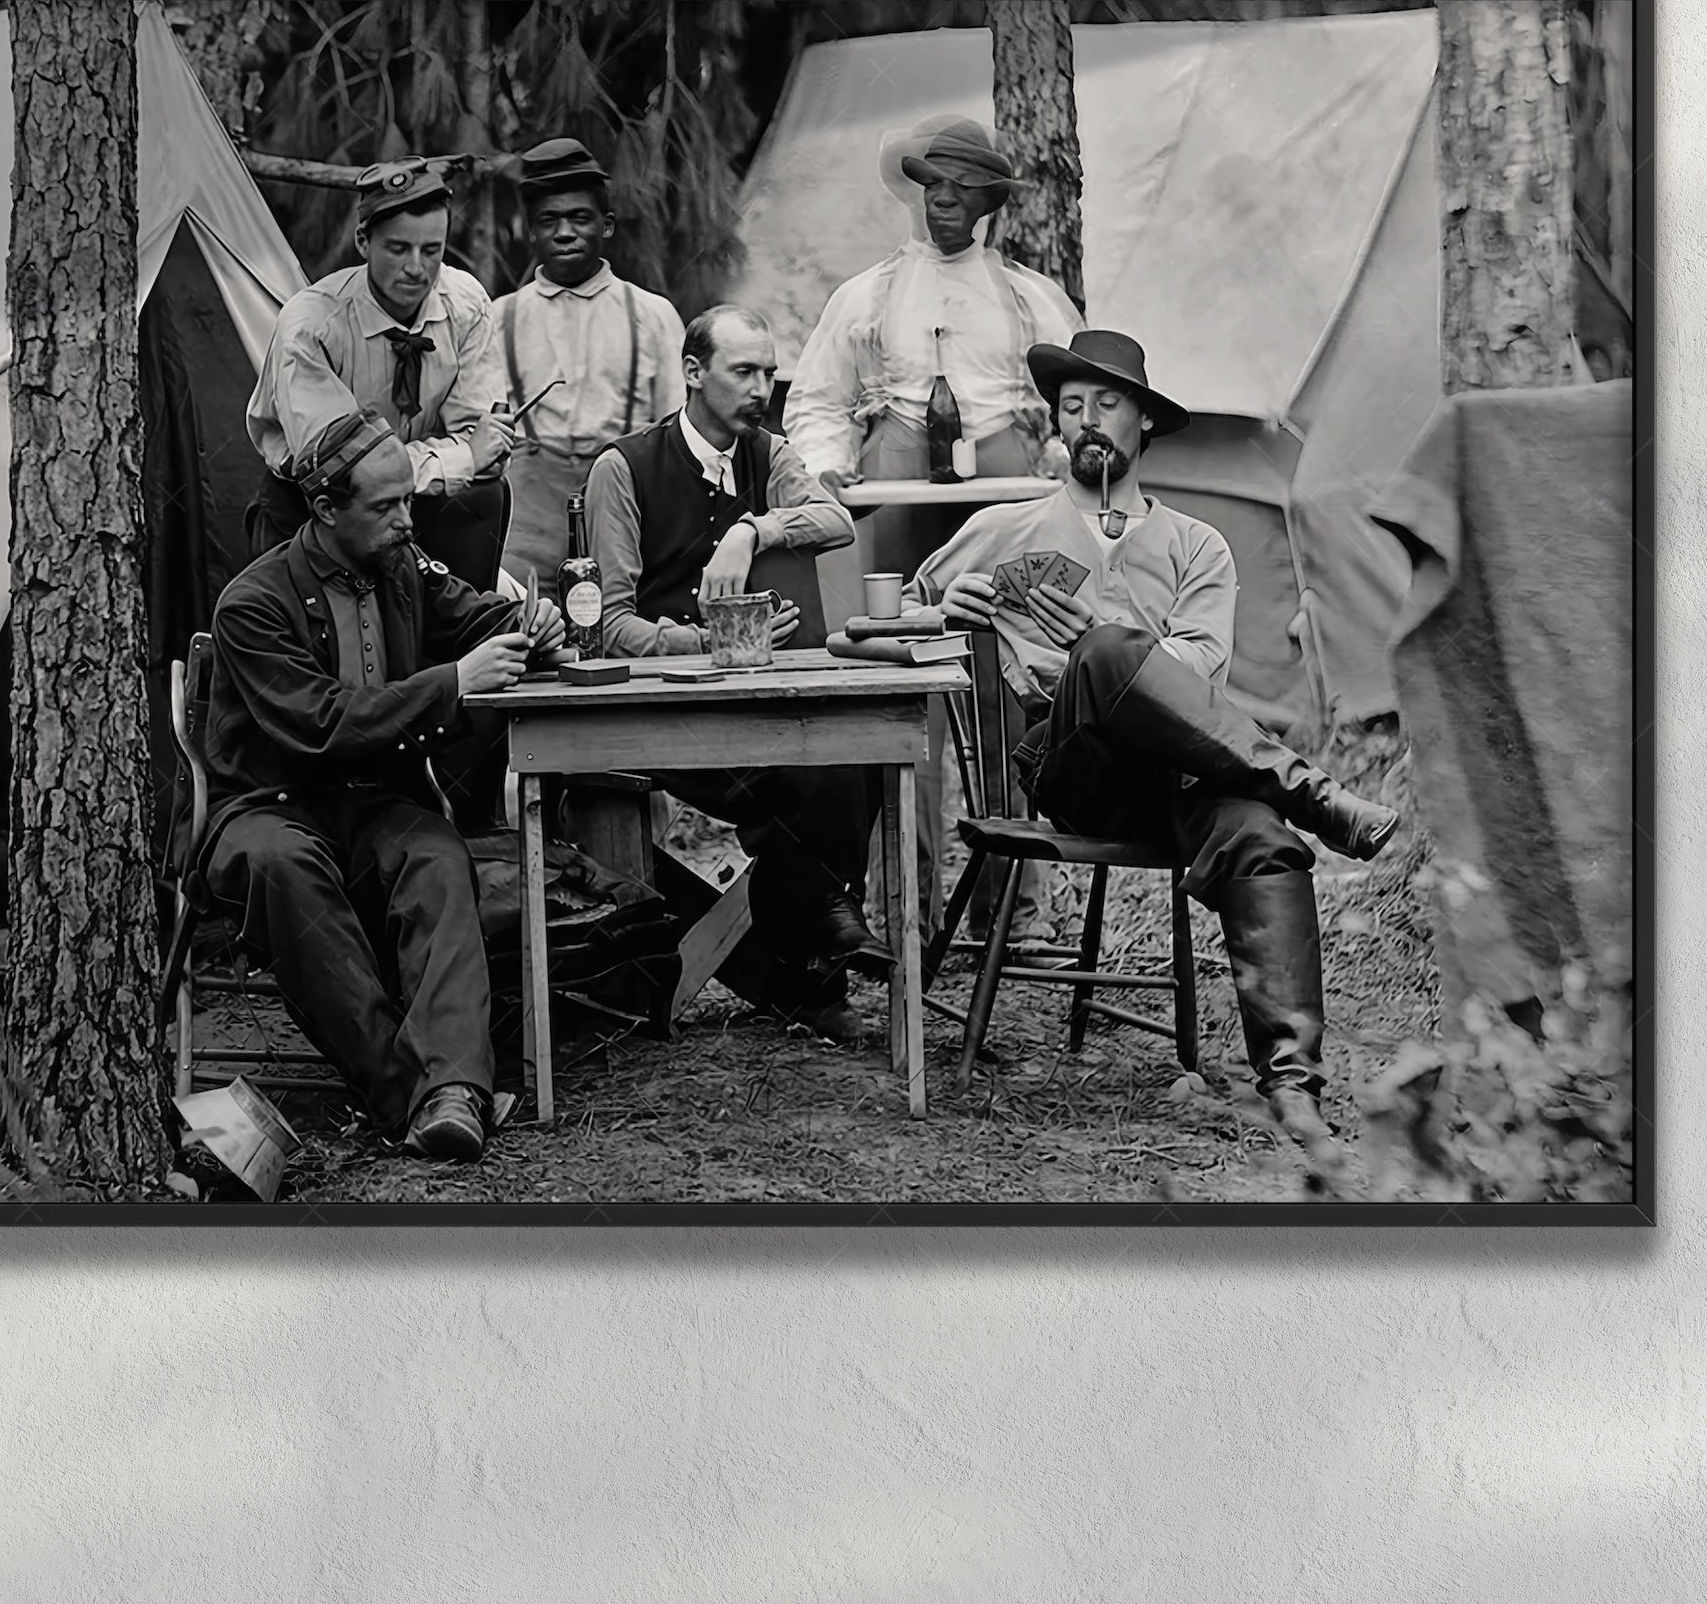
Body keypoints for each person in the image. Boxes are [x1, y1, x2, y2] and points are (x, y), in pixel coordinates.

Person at [908, 330, 1398, 1144]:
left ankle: (1294, 1091)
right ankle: (1312, 792)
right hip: (1076, 769)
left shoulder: (1197, 545)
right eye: (1072, 406)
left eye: (1107, 404)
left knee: (1262, 839)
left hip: (1184, 776)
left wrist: (1107, 633)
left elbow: (1202, 677)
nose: (1087, 420)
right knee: (1102, 653)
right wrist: (938, 610)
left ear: (1143, 423)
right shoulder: (1003, 528)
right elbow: (880, 621)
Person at [202, 409, 564, 1164]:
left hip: (371, 803)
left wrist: (529, 626)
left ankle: (453, 1090)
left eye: (408, 499)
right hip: (271, 808)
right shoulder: (251, 603)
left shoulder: (400, 566)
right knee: (284, 868)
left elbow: (473, 619)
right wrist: (454, 683)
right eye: (388, 505)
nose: (409, 519)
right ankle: (412, 1094)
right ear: (325, 509)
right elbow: (320, 725)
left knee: (435, 854)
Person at [782, 116, 1081, 921]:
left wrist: (1059, 457)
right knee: (900, 689)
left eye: (966, 189)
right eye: (933, 185)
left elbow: (1080, 401)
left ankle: (1013, 908)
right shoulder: (865, 297)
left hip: (1006, 513)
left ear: (990, 202)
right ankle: (905, 907)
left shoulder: (1031, 299)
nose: (946, 201)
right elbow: (816, 402)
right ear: (912, 192)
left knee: (1010, 689)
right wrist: (827, 464)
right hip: (896, 511)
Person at [581, 305, 887, 1039]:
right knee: (814, 774)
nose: (761, 388)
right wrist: (709, 642)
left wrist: (754, 529)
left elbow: (835, 520)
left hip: (759, 704)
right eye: (743, 371)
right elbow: (608, 626)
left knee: (861, 752)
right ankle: (819, 959)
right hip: (665, 715)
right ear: (693, 372)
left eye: (769, 373)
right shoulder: (623, 469)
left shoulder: (767, 454)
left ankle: (816, 947)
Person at [243, 158, 516, 590]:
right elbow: (343, 472)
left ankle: (457, 624)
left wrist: (472, 455)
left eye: (432, 251)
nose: (416, 268)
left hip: (421, 504)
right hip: (317, 509)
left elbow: (483, 444)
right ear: (363, 242)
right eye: (398, 249)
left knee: (484, 495)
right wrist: (461, 457)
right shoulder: (312, 326)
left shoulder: (465, 304)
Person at [486, 138, 688, 577]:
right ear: (531, 230)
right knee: (521, 609)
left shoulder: (651, 315)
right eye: (549, 221)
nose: (565, 233)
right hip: (529, 512)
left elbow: (678, 435)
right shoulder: (499, 318)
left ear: (607, 225)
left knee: (621, 608)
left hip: (624, 498)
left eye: (580, 218)